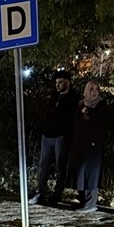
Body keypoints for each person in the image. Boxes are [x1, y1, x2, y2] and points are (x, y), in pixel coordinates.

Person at [29, 70, 78, 206]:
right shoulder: (54, 96)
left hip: (61, 136)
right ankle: (40, 192)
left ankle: (57, 194)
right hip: (47, 134)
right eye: (56, 83)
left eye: (60, 82)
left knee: (60, 166)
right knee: (43, 165)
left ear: (67, 82)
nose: (57, 85)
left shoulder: (73, 98)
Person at [68, 80, 109, 213]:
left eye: (96, 89)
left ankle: (91, 202)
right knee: (81, 171)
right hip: (80, 143)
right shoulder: (80, 104)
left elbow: (101, 123)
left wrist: (89, 113)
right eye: (91, 89)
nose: (94, 92)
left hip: (93, 145)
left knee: (92, 173)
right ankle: (83, 200)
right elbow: (75, 120)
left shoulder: (101, 105)